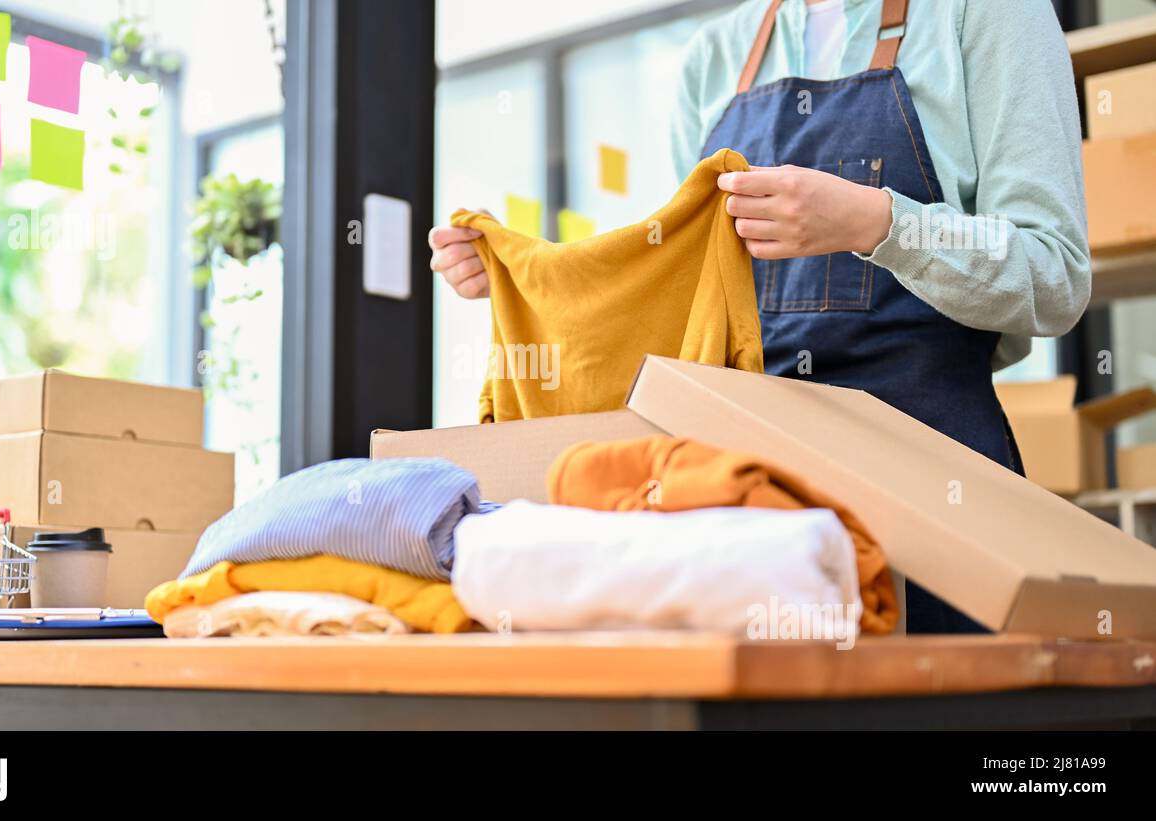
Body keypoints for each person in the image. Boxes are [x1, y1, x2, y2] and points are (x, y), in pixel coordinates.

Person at [428, 0, 1090, 634]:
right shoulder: (713, 57)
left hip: (940, 496)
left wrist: (877, 222)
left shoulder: (988, 13)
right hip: (752, 511)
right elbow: (687, 295)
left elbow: (1055, 275)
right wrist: (529, 284)